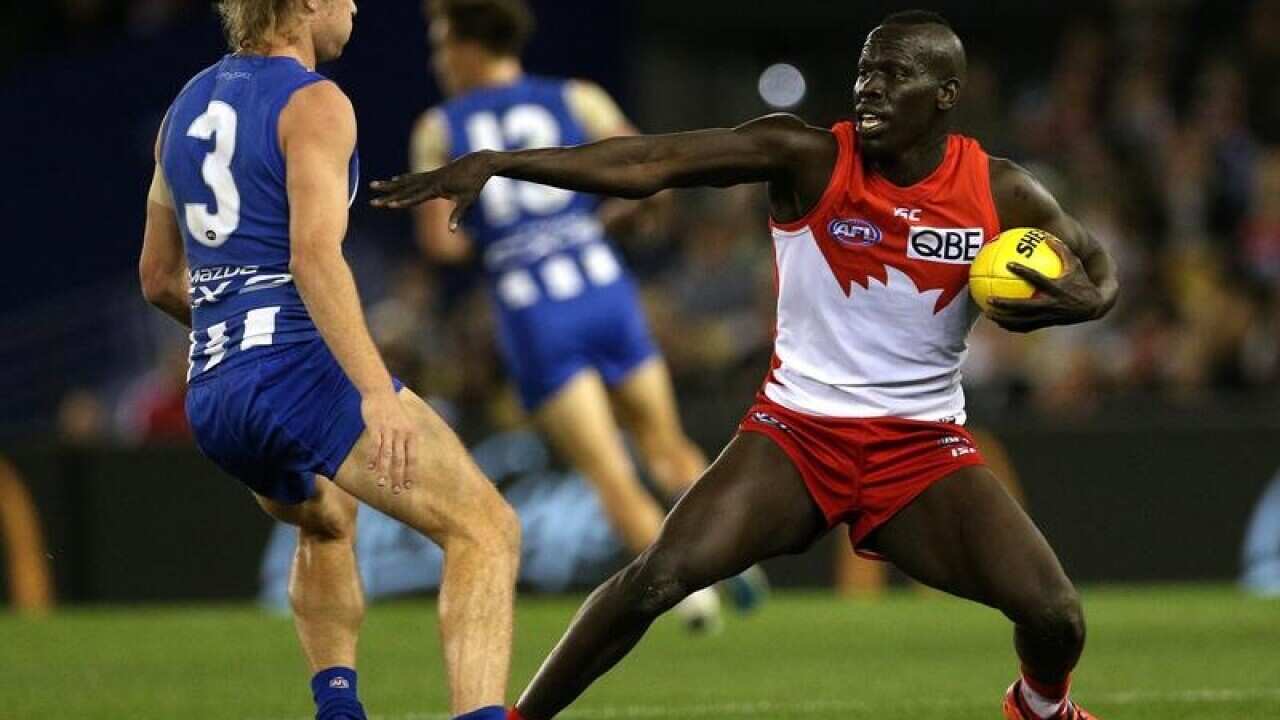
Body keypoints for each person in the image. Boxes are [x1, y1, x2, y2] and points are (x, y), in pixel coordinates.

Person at [373, 9, 1119, 720]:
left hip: (920, 450)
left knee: (1056, 615)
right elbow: (651, 161)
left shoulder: (998, 189)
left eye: (893, 75)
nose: (870, 87)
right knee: (656, 578)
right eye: (865, 72)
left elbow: (1097, 267)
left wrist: (1079, 304)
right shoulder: (807, 156)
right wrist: (504, 164)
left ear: (945, 94)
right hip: (796, 437)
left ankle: (1039, 706)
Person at [138, 2, 519, 719]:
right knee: (485, 529)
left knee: (325, 518)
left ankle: (337, 708)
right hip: (293, 370)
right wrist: (375, 392)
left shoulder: (182, 109)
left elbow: (158, 276)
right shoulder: (316, 102)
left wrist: (232, 330)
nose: (353, 7)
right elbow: (313, 256)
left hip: (215, 391)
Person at [408, 0, 765, 630]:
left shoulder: (440, 127)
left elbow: (443, 244)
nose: (438, 59)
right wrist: (588, 220)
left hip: (534, 314)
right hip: (604, 291)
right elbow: (643, 168)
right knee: (666, 444)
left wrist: (504, 228)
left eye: (442, 43)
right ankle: (731, 555)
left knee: (606, 467)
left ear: (468, 45)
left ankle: (694, 601)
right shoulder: (576, 96)